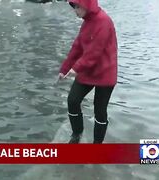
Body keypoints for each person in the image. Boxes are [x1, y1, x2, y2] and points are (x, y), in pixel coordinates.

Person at [58, 0, 118, 144]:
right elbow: (77, 47)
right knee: (72, 100)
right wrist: (64, 69)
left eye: (77, 7)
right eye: (74, 7)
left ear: (87, 5)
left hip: (105, 72)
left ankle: (97, 145)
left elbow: (94, 52)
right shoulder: (86, 22)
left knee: (100, 111)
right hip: (87, 71)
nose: (75, 10)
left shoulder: (103, 21)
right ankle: (77, 134)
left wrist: (76, 68)